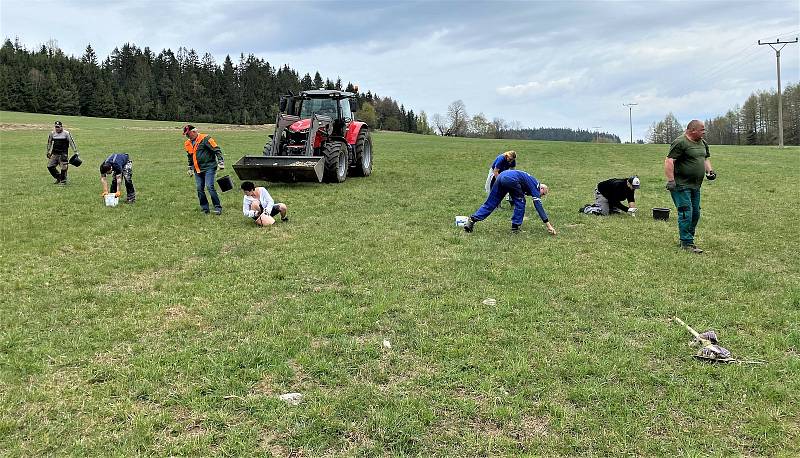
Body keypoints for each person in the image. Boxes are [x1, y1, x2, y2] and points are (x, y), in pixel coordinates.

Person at [664, 119, 716, 254]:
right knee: (686, 212)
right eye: (702, 130)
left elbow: (705, 158)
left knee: (695, 213)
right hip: (681, 185)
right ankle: (686, 243)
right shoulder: (680, 142)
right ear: (692, 130)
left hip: (695, 185)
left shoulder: (702, 143)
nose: (704, 132)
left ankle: (688, 239)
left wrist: (709, 171)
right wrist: (671, 180)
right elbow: (669, 161)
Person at [464, 169, 556, 235]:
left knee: (491, 202)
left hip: (501, 176)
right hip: (510, 179)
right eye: (543, 194)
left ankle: (472, 220)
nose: (541, 196)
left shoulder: (531, 181)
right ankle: (515, 227)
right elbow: (538, 206)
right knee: (521, 202)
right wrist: (548, 225)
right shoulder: (536, 185)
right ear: (542, 188)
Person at [183, 124, 225, 214]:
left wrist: (221, 162)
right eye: (186, 134)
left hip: (209, 167)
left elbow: (216, 149)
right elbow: (190, 156)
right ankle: (205, 209)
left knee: (210, 187)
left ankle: (218, 208)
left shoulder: (205, 138)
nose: (187, 136)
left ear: (194, 131)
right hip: (197, 169)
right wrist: (190, 167)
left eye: (188, 133)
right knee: (199, 188)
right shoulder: (187, 143)